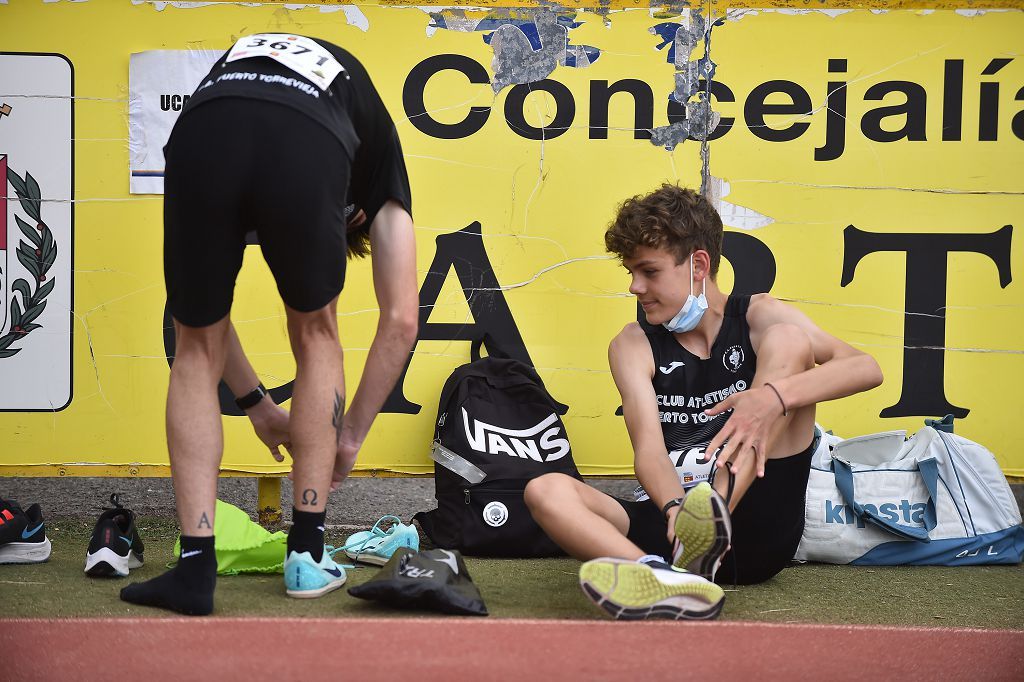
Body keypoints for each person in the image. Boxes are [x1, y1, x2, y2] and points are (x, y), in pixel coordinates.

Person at [120, 33, 418, 615]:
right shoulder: (379, 166)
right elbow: (402, 319)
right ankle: (306, 556)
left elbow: (203, 323)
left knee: (193, 345)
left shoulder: (338, 114)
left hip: (203, 125)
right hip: (303, 134)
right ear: (352, 213)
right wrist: (349, 436)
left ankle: (194, 568)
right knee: (316, 331)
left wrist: (258, 404)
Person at [525, 184, 883, 620]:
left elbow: (865, 367)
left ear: (698, 265)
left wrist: (770, 398)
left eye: (649, 271)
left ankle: (710, 524)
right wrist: (676, 509)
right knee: (544, 490)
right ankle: (662, 579)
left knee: (790, 341)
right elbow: (650, 454)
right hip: (674, 521)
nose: (635, 287)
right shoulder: (632, 344)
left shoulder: (760, 315)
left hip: (756, 527)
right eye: (631, 272)